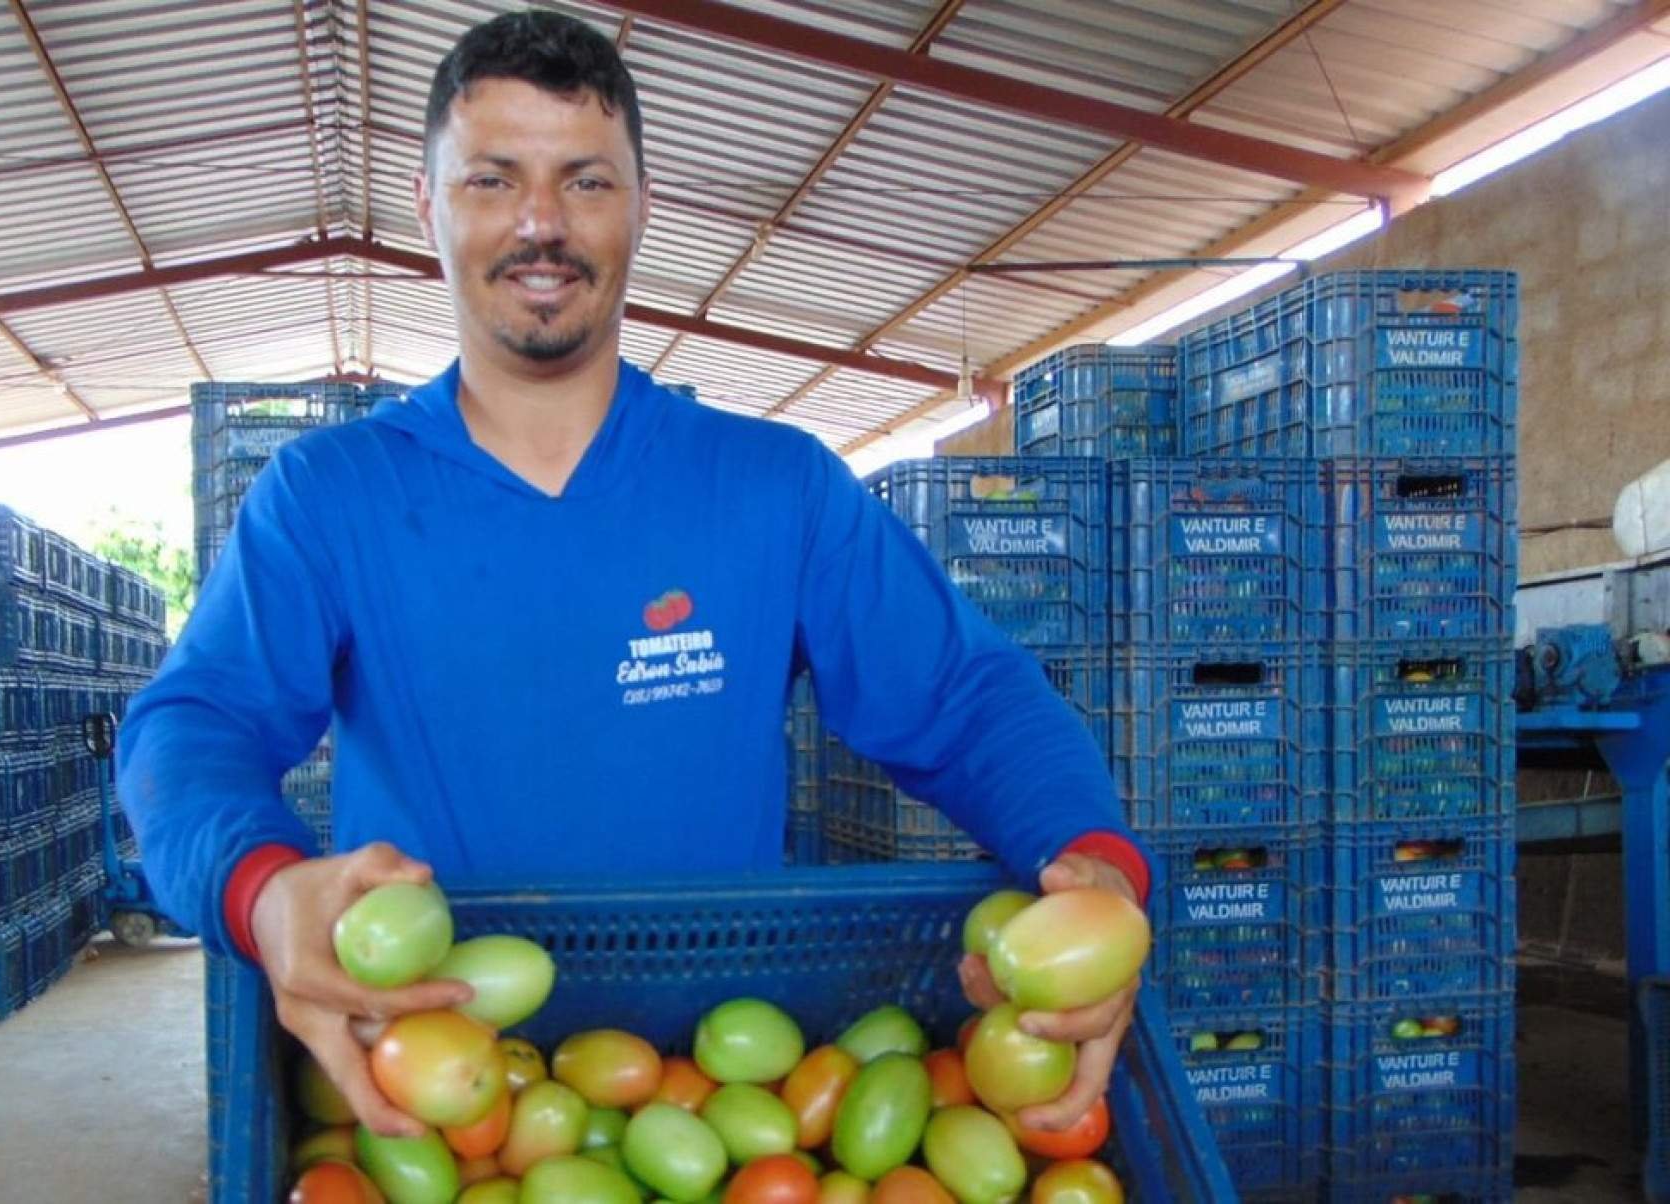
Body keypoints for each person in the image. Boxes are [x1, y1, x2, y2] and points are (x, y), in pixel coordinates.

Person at [119, 10, 1151, 1144]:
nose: (541, 223)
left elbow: (967, 698)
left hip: (726, 1095)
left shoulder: (775, 489)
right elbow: (193, 726)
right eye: (492, 180)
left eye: (588, 181)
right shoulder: (329, 497)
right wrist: (261, 889)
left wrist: (1091, 865)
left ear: (642, 205)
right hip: (441, 1094)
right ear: (428, 206)